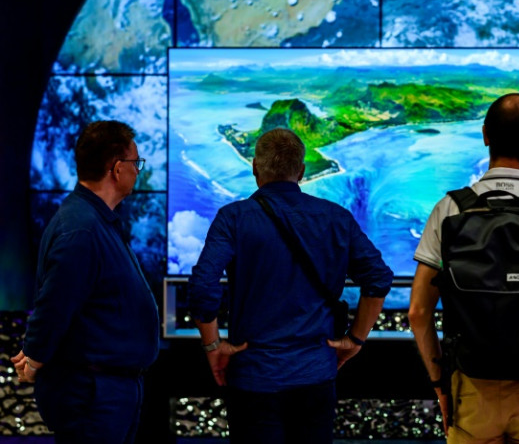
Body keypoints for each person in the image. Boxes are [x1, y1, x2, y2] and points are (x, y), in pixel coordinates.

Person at [187, 127, 393, 443]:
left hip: (253, 376)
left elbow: (203, 285)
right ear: (301, 171)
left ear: (255, 167)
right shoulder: (335, 217)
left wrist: (213, 346)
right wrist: (356, 339)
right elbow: (377, 278)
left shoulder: (234, 218)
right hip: (316, 374)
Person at [409, 93, 519, 442]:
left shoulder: (449, 208)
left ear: (485, 135)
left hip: (470, 385)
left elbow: (418, 312)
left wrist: (441, 383)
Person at [11, 120, 159, 443]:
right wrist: (34, 357)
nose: (139, 170)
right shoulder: (81, 231)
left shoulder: (93, 220)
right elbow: (54, 304)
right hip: (93, 398)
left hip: (106, 394)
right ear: (117, 169)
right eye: (136, 163)